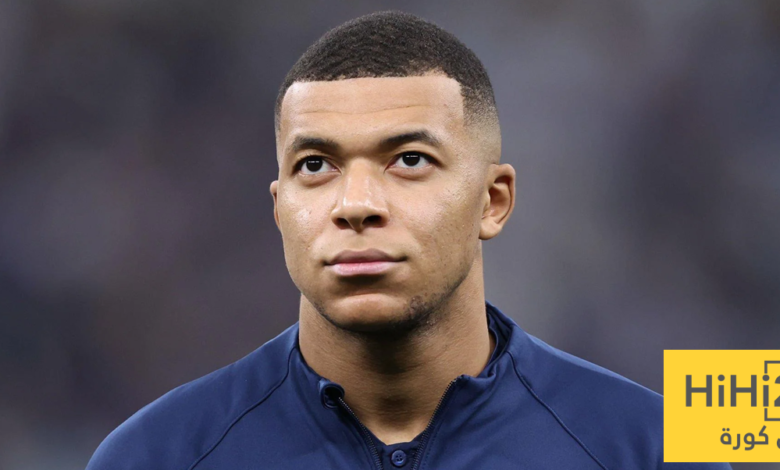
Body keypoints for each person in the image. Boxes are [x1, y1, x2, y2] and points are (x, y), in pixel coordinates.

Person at [86, 11, 731, 470]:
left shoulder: (657, 447)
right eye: (316, 165)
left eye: (410, 160)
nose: (356, 205)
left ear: (493, 200)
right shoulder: (153, 456)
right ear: (280, 210)